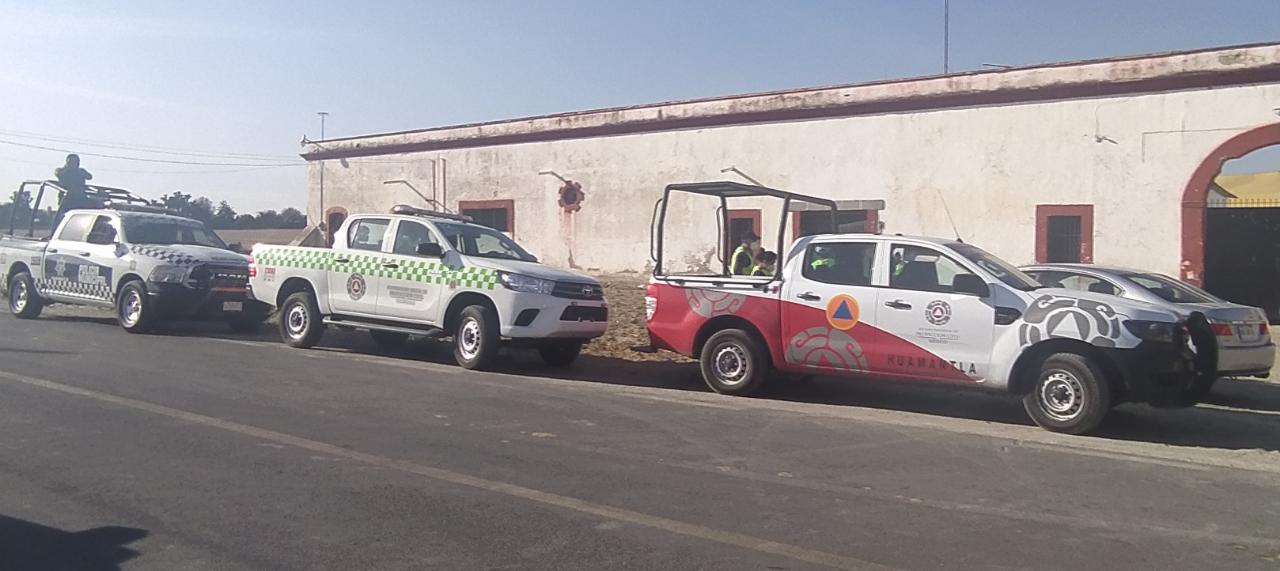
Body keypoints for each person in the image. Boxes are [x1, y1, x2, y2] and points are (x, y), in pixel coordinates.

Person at [51, 154, 94, 231]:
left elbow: (89, 176)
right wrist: (69, 170)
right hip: (66, 200)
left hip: (81, 199)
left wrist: (77, 171)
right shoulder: (61, 170)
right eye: (72, 162)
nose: (75, 164)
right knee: (61, 219)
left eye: (76, 162)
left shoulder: (81, 171)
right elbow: (58, 174)